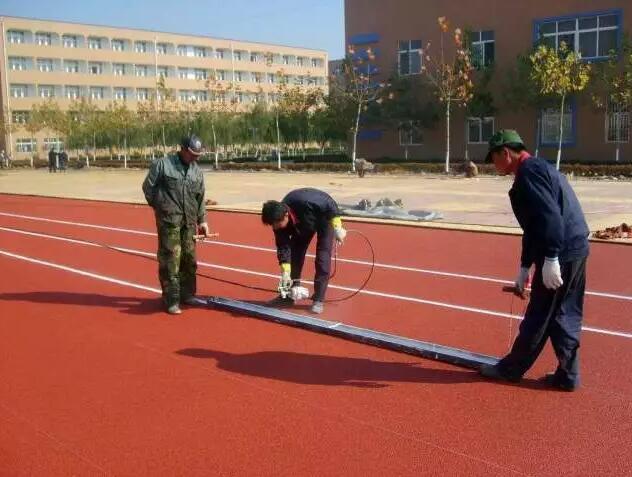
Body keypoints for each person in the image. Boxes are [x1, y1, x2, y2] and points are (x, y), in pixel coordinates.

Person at [479, 130, 589, 391]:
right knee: (564, 313)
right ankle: (568, 375)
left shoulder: (529, 173)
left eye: (493, 158)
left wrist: (551, 257)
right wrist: (525, 266)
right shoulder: (538, 168)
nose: (493, 165)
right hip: (576, 248)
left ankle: (510, 369)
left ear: (505, 153)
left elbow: (550, 218)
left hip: (562, 251)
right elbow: (534, 226)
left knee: (539, 313)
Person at [142, 134, 209, 315]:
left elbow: (200, 197)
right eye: (192, 154)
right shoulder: (163, 165)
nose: (195, 158)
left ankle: (187, 294)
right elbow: (148, 188)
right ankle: (171, 300)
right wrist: (163, 207)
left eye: (198, 155)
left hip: (189, 222)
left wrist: (202, 220)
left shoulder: (197, 172)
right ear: (183, 149)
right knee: (171, 260)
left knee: (189, 260)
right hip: (169, 222)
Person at [261, 188, 347, 314]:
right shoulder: (277, 222)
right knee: (295, 256)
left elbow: (330, 205)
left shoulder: (306, 201)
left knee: (322, 258)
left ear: (286, 215)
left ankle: (318, 299)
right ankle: (288, 296)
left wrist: (338, 227)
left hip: (323, 217)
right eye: (272, 224)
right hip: (303, 224)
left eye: (276, 223)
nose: (275, 227)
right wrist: (285, 271)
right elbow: (283, 247)